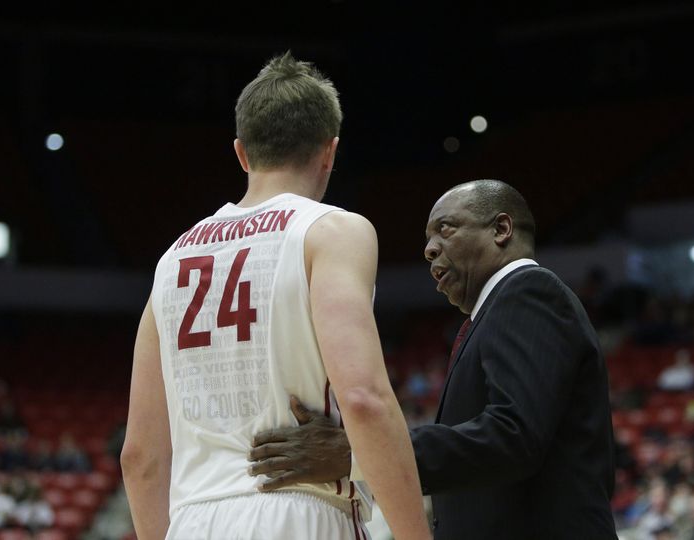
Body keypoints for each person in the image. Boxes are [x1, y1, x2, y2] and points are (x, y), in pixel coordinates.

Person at [120, 52, 430, 540]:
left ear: (242, 153)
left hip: (192, 520)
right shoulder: (331, 231)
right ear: (329, 151)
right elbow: (364, 399)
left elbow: (139, 455)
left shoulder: (172, 259)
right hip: (301, 511)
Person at [249, 180, 617, 539]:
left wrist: (362, 453)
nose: (429, 249)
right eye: (428, 238)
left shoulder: (527, 290)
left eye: (446, 229)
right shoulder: (496, 312)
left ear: (501, 229)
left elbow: (514, 435)